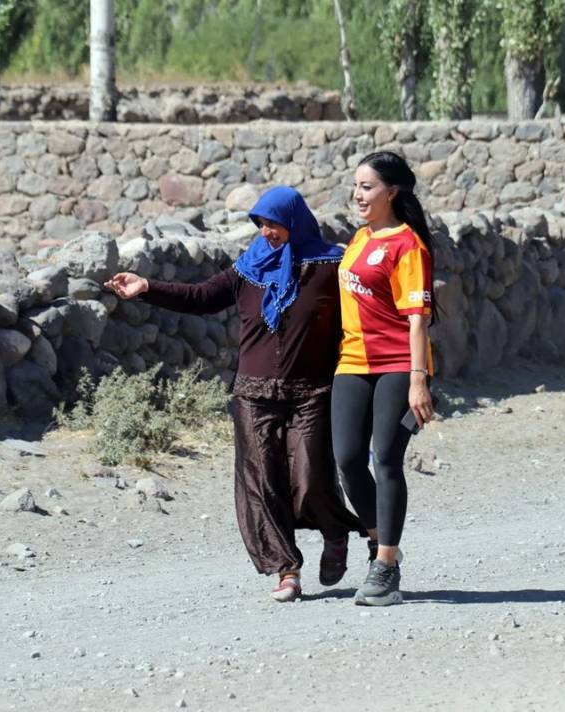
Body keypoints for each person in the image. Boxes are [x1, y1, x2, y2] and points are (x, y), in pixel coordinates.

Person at [105, 186, 365, 602]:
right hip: (253, 393)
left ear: (295, 221)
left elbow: (366, 312)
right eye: (260, 223)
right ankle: (287, 569)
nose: (267, 232)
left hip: (312, 391)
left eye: (274, 223)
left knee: (310, 475)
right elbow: (203, 297)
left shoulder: (331, 265)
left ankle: (335, 533)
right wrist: (146, 287)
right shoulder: (249, 269)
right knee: (261, 481)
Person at [331, 151, 435, 607]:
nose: (358, 194)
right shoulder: (358, 239)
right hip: (352, 362)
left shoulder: (408, 245)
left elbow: (417, 321)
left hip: (398, 363)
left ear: (392, 192)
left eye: (367, 186)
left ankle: (386, 567)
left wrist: (418, 380)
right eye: (355, 185)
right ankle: (379, 542)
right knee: (348, 458)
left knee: (386, 459)